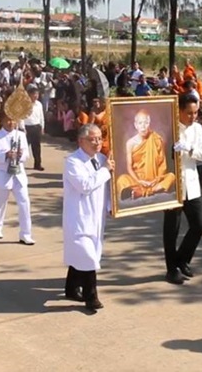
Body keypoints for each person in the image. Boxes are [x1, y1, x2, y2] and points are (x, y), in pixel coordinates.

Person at [62, 124, 115, 311]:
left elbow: (107, 188)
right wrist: (105, 171)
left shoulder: (101, 159)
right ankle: (91, 297)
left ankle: (71, 288)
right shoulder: (72, 162)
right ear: (81, 141)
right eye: (93, 139)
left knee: (84, 255)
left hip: (97, 216)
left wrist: (111, 206)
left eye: (100, 138)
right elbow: (85, 185)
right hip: (79, 216)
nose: (97, 143)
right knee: (88, 256)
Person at [163, 94, 202, 285]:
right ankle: (171, 269)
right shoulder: (169, 129)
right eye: (189, 113)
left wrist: (190, 149)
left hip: (191, 184)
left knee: (199, 225)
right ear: (180, 111)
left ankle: (182, 259)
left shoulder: (197, 129)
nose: (192, 117)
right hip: (173, 184)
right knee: (171, 229)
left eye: (195, 113)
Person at [0, 111, 35, 245]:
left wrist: (20, 155)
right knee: (0, 202)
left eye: (13, 120)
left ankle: (26, 234)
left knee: (24, 203)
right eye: (8, 120)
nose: (11, 123)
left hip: (18, 174)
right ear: (2, 121)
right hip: (3, 174)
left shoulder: (21, 135)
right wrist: (5, 155)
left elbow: (26, 156)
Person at [116, 110, 176, 201]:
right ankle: (150, 191)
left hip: (155, 180)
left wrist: (156, 180)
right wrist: (138, 181)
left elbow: (162, 165)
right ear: (136, 125)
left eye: (146, 123)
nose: (143, 126)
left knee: (171, 176)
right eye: (140, 123)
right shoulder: (130, 143)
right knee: (121, 180)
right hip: (137, 179)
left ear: (149, 123)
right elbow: (129, 167)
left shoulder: (157, 139)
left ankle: (144, 192)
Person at [21, 84, 45, 171]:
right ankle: (20, 164)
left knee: (37, 147)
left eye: (37, 94)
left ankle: (37, 164)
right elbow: (22, 117)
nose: (36, 96)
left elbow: (41, 116)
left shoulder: (39, 104)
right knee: (24, 147)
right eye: (34, 94)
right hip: (27, 127)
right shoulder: (24, 104)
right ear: (29, 95)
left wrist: (42, 126)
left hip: (36, 127)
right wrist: (23, 128)